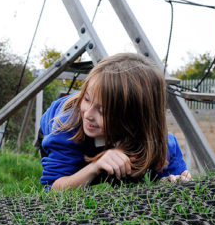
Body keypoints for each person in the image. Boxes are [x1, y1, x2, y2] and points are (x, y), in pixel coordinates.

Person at [38, 53, 191, 191]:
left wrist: (173, 180)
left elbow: (174, 178)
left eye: (103, 111)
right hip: (67, 133)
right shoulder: (67, 125)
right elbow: (53, 188)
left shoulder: (161, 142)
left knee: (136, 175)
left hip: (120, 137)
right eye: (86, 98)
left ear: (134, 118)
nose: (88, 114)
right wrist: (95, 167)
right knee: (79, 174)